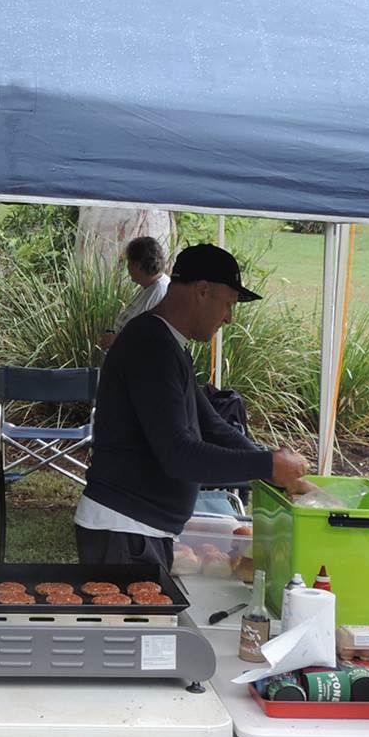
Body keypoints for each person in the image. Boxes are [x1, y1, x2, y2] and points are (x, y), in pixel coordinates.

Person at [77, 243, 309, 571]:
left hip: (137, 530)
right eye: (228, 304)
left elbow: (211, 425)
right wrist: (267, 465)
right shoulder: (151, 346)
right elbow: (179, 455)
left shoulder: (169, 344)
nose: (229, 317)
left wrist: (271, 470)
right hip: (124, 531)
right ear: (202, 291)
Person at [99, 235, 170, 350]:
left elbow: (153, 339)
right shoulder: (149, 287)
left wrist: (118, 340)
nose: (127, 267)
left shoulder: (161, 292)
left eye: (128, 262)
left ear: (137, 265)